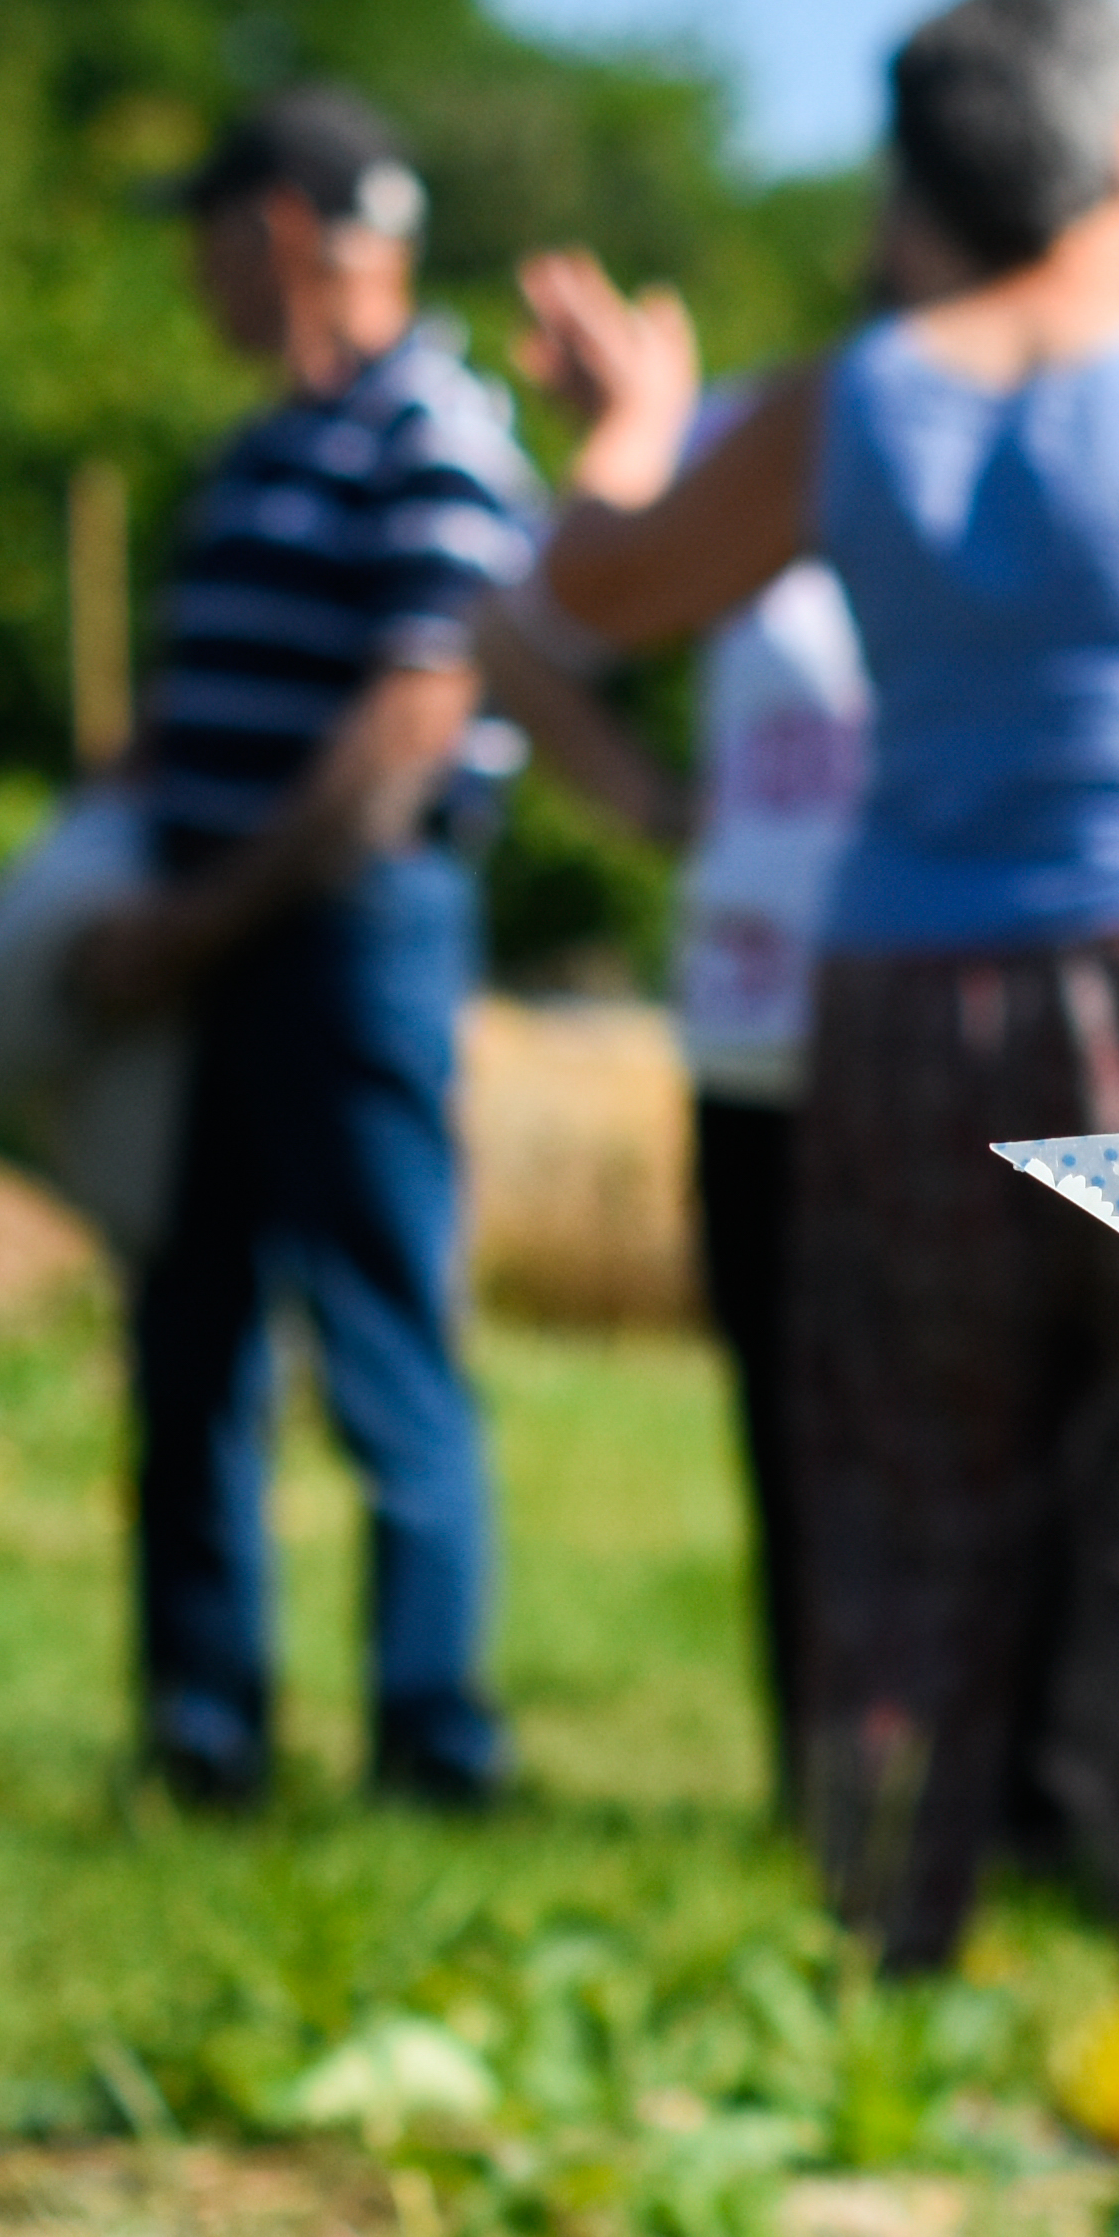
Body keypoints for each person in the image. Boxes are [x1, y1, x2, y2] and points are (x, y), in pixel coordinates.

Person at [517, 0, 1119, 2020]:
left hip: (894, 1011)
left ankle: (882, 1969)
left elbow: (596, 587)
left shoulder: (844, 398)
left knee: (901, 1498)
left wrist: (622, 427)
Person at [66, 83, 544, 1818]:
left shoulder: (435, 424)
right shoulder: (270, 440)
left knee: (379, 1333)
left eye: (204, 239)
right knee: (189, 1338)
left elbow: (416, 716)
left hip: (351, 932)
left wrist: (206, 912)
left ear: (273, 231)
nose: (195, 278)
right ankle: (204, 1730)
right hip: (223, 943)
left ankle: (433, 1739)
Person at [477, 358, 883, 1815]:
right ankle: (818, 1782)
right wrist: (653, 801)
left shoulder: (1006, 467)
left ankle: (982, 1783)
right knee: (787, 1422)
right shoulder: (747, 457)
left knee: (937, 1430)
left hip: (924, 1025)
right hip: (750, 1028)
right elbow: (525, 634)